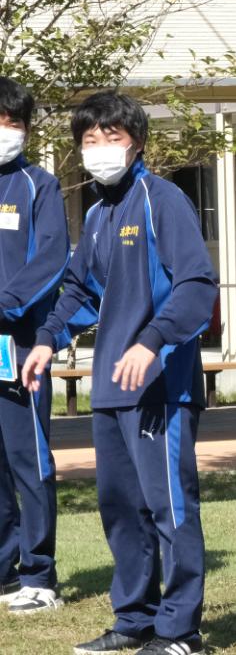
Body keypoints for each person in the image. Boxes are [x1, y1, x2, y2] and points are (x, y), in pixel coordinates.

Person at [22, 91, 218, 655]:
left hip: (161, 385)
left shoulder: (164, 200)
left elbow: (197, 286)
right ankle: (134, 619)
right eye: (90, 139)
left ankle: (180, 631)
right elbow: (80, 290)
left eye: (112, 137)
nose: (100, 148)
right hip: (111, 388)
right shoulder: (98, 214)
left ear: (137, 143)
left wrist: (153, 341)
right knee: (121, 509)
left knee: (169, 508)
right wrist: (47, 339)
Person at [0, 77, 69, 616]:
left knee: (29, 458)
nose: (7, 132)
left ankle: (39, 574)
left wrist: (6, 304)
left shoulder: (38, 185)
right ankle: (4, 571)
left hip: (20, 346)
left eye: (15, 123)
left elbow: (51, 257)